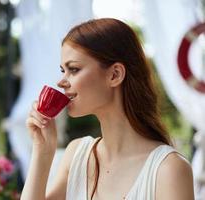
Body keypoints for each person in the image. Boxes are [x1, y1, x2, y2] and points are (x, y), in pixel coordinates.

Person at [21, 18, 195, 200]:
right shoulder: (76, 156)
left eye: (73, 69)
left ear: (115, 74)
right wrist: (42, 151)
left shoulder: (168, 170)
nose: (61, 82)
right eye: (62, 70)